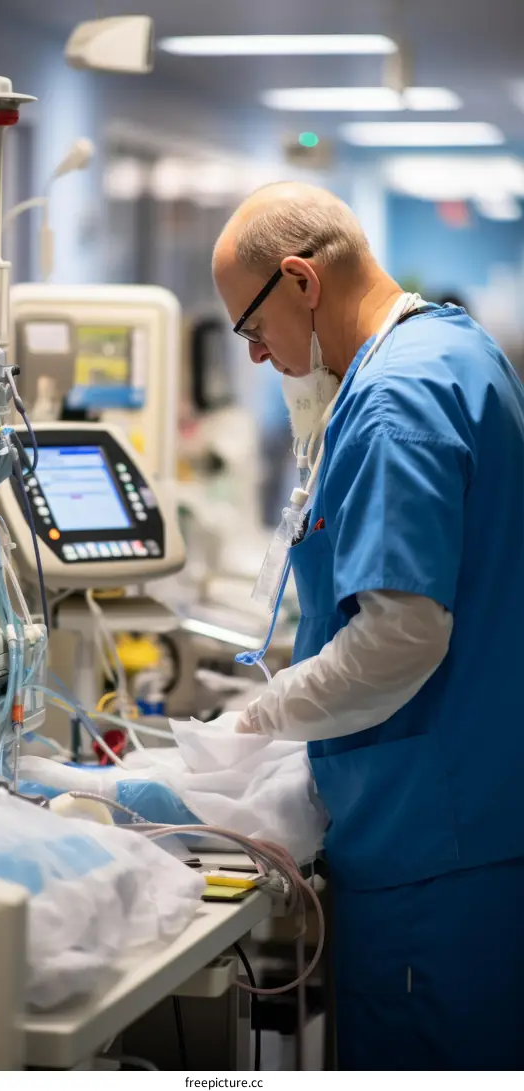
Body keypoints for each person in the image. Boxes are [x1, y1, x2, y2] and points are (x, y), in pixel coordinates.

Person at [212, 182, 524, 1071]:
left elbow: (399, 637)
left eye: (253, 329)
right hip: (474, 818)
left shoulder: (396, 400)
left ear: (302, 279)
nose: (263, 354)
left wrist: (255, 722)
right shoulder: (454, 348)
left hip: (432, 848)